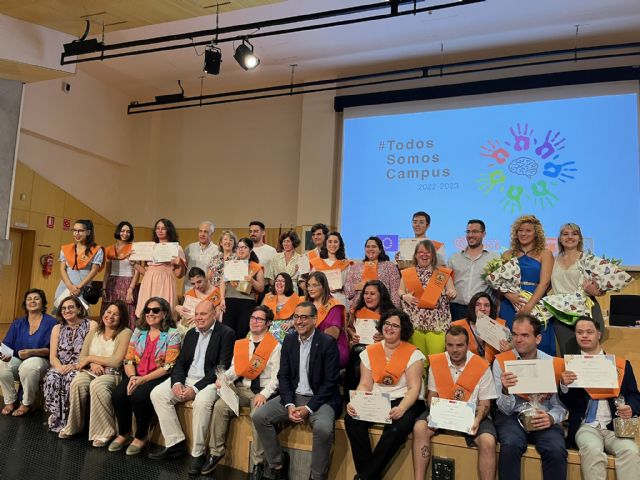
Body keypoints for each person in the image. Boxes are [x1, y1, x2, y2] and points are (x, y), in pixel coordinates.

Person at [252, 302, 342, 480]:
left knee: (323, 429)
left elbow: (330, 383)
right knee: (259, 416)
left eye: (304, 317)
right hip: (294, 396)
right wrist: (290, 404)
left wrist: (308, 409)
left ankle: (317, 476)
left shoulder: (327, 343)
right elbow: (283, 376)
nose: (299, 321)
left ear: (315, 320)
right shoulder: (289, 340)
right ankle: (277, 464)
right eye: (296, 317)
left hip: (320, 399)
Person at [148, 300, 235, 474]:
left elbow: (221, 367)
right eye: (196, 314)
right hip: (187, 378)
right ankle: (175, 443)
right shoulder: (190, 334)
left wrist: (195, 389)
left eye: (203, 314)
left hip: (211, 382)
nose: (199, 318)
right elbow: (181, 363)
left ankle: (198, 454)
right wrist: (178, 383)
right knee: (157, 393)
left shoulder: (226, 333)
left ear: (214, 314)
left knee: (201, 402)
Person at [345, 310, 426, 480]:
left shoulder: (413, 354)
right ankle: (369, 476)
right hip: (378, 400)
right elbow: (365, 384)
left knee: (396, 428)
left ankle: (364, 477)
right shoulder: (370, 351)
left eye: (395, 325)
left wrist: (402, 408)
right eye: (387, 324)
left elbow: (414, 388)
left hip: (406, 401)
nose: (389, 328)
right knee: (351, 419)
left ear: (402, 329)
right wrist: (357, 402)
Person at [559, 317, 640, 480]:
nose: (584, 336)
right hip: (586, 426)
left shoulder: (620, 365)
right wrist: (564, 386)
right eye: (579, 332)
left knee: (631, 451)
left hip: (614, 427)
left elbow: (634, 396)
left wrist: (631, 407)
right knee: (592, 449)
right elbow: (570, 405)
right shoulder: (571, 365)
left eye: (589, 332)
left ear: (598, 334)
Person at [205, 305, 282, 478]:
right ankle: (216, 452)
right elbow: (235, 369)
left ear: (268, 323)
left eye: (259, 319)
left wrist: (264, 394)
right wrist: (223, 379)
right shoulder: (241, 344)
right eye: (252, 318)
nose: (254, 322)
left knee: (258, 415)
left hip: (261, 391)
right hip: (242, 389)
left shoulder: (274, 346)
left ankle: (258, 463)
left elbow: (276, 378)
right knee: (219, 407)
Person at [413, 325, 497, 480]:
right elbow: (432, 394)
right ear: (446, 345)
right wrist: (435, 413)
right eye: (450, 345)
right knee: (420, 427)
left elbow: (485, 403)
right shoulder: (438, 362)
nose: (454, 350)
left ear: (468, 345)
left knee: (488, 441)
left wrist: (477, 420)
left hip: (472, 415)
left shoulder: (481, 365)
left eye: (459, 345)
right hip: (443, 413)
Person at [492, 313, 567, 480]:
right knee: (510, 445)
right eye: (515, 334)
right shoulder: (501, 362)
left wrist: (551, 418)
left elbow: (560, 406)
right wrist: (505, 390)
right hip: (511, 416)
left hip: (543, 415)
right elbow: (504, 409)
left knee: (555, 449)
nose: (518, 340)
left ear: (538, 338)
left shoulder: (552, 363)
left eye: (525, 335)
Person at [110, 297, 181, 455]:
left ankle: (141, 436)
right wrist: (133, 377)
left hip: (157, 376)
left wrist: (143, 380)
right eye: (147, 310)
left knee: (139, 397)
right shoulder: (139, 331)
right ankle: (124, 432)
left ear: (164, 314)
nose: (150, 313)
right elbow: (128, 359)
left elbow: (169, 366)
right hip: (135, 373)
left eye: (155, 310)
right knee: (118, 395)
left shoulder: (173, 334)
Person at [59, 301, 132, 446]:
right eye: (108, 312)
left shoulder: (125, 333)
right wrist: (92, 363)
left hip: (113, 375)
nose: (110, 316)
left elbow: (116, 361)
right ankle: (73, 426)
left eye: (116, 314)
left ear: (122, 317)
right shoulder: (94, 332)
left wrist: (91, 358)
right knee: (78, 382)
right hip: (92, 371)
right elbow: (82, 358)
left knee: (98, 385)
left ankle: (106, 432)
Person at [499, 214, 555, 355]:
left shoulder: (545, 253)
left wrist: (529, 306)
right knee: (508, 344)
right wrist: (509, 296)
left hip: (536, 303)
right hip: (510, 304)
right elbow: (499, 282)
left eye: (528, 230)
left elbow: (545, 283)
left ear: (536, 233)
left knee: (538, 342)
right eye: (520, 230)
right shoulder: (507, 254)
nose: (523, 233)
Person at [0, 289, 57, 416]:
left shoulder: (52, 323)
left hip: (41, 361)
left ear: (43, 303)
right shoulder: (18, 323)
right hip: (19, 360)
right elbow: (7, 347)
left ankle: (26, 403)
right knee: (1, 364)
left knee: (29, 365)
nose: (32, 301)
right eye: (29, 299)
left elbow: (53, 350)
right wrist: (3, 353)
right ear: (25, 303)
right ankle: (10, 401)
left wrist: (32, 352)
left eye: (36, 298)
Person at [42, 295, 93, 434]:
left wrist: (76, 366)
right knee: (52, 377)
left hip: (82, 366)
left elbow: (90, 353)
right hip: (62, 365)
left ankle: (72, 421)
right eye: (63, 308)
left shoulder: (91, 325)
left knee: (71, 378)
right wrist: (60, 367)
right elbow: (52, 357)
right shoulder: (57, 328)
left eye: (71, 307)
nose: (67, 310)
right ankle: (57, 417)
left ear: (79, 308)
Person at [551, 223, 604, 355]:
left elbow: (602, 289)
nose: (570, 237)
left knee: (589, 353)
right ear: (560, 239)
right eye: (565, 234)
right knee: (567, 353)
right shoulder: (552, 260)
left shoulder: (589, 259)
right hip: (561, 313)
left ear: (580, 238)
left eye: (574, 234)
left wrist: (596, 291)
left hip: (587, 309)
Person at [398, 239, 456, 362]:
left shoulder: (442, 274)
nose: (424, 255)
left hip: (437, 326)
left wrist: (452, 293)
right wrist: (404, 296)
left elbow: (452, 290)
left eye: (428, 252)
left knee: (436, 362)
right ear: (415, 255)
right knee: (418, 363)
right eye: (421, 252)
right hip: (414, 325)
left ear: (433, 255)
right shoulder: (407, 273)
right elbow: (400, 292)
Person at [344, 280, 395, 401]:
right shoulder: (357, 311)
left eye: (372, 294)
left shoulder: (391, 314)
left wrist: (385, 337)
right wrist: (352, 334)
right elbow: (349, 327)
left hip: (383, 353)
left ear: (381, 295)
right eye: (366, 293)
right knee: (357, 357)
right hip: (360, 351)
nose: (368, 297)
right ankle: (352, 401)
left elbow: (402, 335)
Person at [447, 219, 500, 320]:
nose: (470, 235)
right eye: (468, 232)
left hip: (483, 311)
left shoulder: (494, 258)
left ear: (483, 234)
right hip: (456, 310)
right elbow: (446, 281)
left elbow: (499, 289)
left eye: (475, 232)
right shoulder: (454, 258)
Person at [135, 218, 186, 318]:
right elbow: (146, 271)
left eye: (163, 228)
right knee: (147, 311)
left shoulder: (176, 248)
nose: (160, 231)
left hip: (165, 282)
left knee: (164, 312)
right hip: (149, 281)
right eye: (158, 228)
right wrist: (134, 264)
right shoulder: (150, 247)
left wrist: (179, 263)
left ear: (169, 230)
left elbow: (179, 275)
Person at [219, 237, 265, 339]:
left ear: (250, 250)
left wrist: (251, 281)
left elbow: (261, 288)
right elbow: (222, 282)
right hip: (229, 301)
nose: (241, 250)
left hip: (247, 303)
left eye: (244, 247)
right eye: (239, 247)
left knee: (242, 333)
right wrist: (222, 299)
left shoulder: (256, 267)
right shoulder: (231, 263)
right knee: (228, 333)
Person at [54, 219, 104, 305]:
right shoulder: (66, 248)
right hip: (65, 286)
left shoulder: (96, 250)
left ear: (88, 232)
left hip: (82, 288)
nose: (76, 233)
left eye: (80, 231)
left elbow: (94, 271)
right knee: (61, 313)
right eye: (74, 230)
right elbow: (62, 269)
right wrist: (70, 286)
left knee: (79, 314)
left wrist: (78, 287)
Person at [451, 292, 510, 364]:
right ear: (473, 307)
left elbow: (513, 347)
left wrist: (509, 347)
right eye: (478, 305)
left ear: (491, 308)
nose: (482, 308)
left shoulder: (501, 325)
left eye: (487, 305)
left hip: (492, 367)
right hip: (467, 365)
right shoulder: (458, 326)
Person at [305, 271, 348, 368]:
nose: (310, 289)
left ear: (323, 286)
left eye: (315, 285)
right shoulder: (306, 303)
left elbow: (331, 337)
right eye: (309, 285)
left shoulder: (333, 306)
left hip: (331, 347)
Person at [101, 221, 139, 329]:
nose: (125, 234)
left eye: (128, 231)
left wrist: (131, 289)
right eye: (122, 231)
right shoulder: (110, 249)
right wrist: (104, 288)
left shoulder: (134, 249)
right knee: (110, 311)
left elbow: (137, 272)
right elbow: (107, 271)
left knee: (126, 311)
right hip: (112, 283)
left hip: (128, 283)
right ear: (118, 231)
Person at [344, 236, 401, 308]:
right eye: (368, 247)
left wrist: (394, 312)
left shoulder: (390, 266)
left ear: (380, 250)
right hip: (358, 309)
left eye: (374, 246)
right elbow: (347, 292)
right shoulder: (355, 267)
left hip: (383, 309)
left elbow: (395, 292)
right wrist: (356, 287)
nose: (370, 249)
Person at [309, 231, 351, 308]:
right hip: (321, 301)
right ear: (325, 244)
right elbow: (312, 284)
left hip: (339, 300)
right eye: (330, 242)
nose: (333, 244)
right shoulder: (317, 262)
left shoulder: (345, 263)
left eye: (335, 242)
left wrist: (340, 289)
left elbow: (349, 285)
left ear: (340, 244)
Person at [175, 267, 221, 336]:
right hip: (188, 327)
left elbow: (217, 315)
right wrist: (177, 308)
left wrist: (199, 318)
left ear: (205, 277)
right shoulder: (190, 294)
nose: (197, 286)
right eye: (193, 284)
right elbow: (183, 313)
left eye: (199, 282)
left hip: (209, 329)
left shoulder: (217, 293)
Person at [262, 272, 301, 343]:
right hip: (268, 328)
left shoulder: (295, 298)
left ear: (288, 283)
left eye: (283, 281)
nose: (279, 283)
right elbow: (261, 313)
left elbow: (300, 317)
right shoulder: (268, 296)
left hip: (286, 330)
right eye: (277, 280)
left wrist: (291, 323)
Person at [184, 221, 219, 294]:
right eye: (200, 231)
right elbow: (183, 269)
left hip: (207, 292)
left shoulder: (217, 250)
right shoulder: (189, 248)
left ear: (211, 234)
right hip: (189, 290)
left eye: (205, 232)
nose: (202, 234)